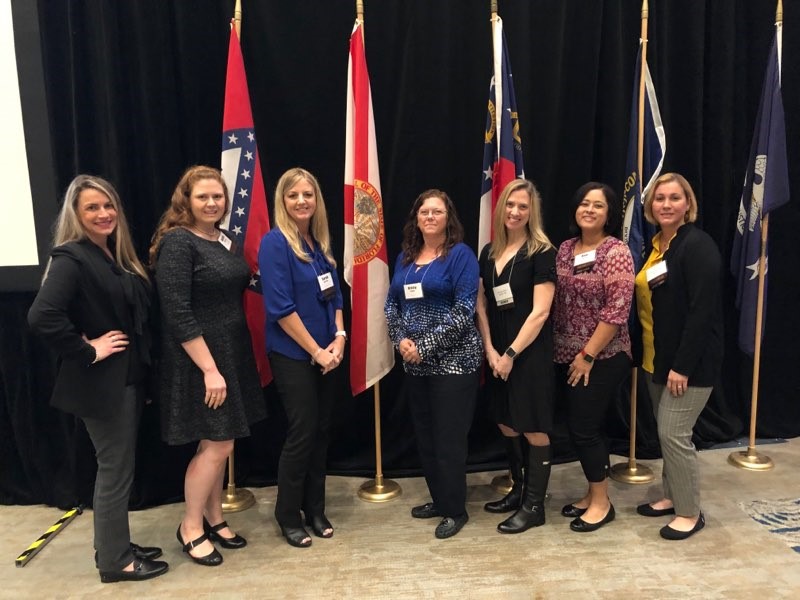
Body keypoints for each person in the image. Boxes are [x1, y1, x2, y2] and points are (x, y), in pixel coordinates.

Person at [27, 175, 168, 583]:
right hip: (103, 386)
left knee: (118, 469)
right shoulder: (72, 256)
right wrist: (89, 349)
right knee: (114, 471)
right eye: (92, 207)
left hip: (125, 382)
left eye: (108, 206)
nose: (103, 214)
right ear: (76, 214)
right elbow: (41, 316)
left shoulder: (110, 255)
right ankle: (115, 562)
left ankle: (113, 544)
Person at [150, 165, 265, 566]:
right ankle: (191, 527)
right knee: (218, 444)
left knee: (219, 440)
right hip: (199, 359)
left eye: (217, 197)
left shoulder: (223, 240)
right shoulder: (178, 243)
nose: (212, 203)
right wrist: (209, 370)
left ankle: (215, 518)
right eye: (203, 197)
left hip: (229, 352)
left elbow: (245, 281)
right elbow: (177, 312)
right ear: (187, 200)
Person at [384, 189, 482, 539]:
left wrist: (423, 346)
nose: (429, 217)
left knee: (448, 440)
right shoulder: (405, 258)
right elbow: (391, 305)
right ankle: (440, 500)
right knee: (425, 438)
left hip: (455, 364)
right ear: (416, 218)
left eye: (437, 212)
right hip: (416, 367)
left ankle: (455, 510)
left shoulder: (461, 256)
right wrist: (400, 341)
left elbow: (463, 311)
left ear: (448, 217)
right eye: (424, 211)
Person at [259, 167, 345, 548]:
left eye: (307, 194)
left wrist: (339, 338)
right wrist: (316, 351)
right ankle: (287, 513)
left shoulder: (318, 243)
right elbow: (280, 307)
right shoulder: (275, 243)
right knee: (302, 432)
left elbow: (336, 296)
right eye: (293, 195)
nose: (301, 201)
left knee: (322, 432)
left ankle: (315, 508)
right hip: (295, 354)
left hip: (328, 353)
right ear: (283, 201)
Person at [634, 172, 722, 540]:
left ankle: (689, 512)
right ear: (651, 206)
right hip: (657, 359)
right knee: (666, 432)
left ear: (688, 204)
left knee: (674, 433)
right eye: (659, 198)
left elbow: (702, 312)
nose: (666, 204)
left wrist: (682, 366)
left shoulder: (696, 245)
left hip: (687, 365)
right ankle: (672, 496)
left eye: (674, 198)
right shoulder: (657, 246)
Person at [475, 179, 556, 534]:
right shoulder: (489, 252)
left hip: (529, 353)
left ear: (531, 212)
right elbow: (482, 304)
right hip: (498, 353)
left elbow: (540, 312)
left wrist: (510, 353)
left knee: (534, 427)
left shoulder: (542, 252)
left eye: (523, 207)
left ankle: (534, 506)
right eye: (510, 205)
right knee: (507, 422)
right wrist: (491, 349)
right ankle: (518, 491)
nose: (515, 212)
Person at [552, 182, 634, 532]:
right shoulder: (566, 248)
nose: (589, 210)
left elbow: (617, 312)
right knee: (579, 427)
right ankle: (590, 493)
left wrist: (587, 354)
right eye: (584, 203)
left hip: (602, 356)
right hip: (566, 355)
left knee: (585, 429)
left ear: (609, 214)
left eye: (598, 206)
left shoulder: (616, 251)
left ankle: (602, 502)